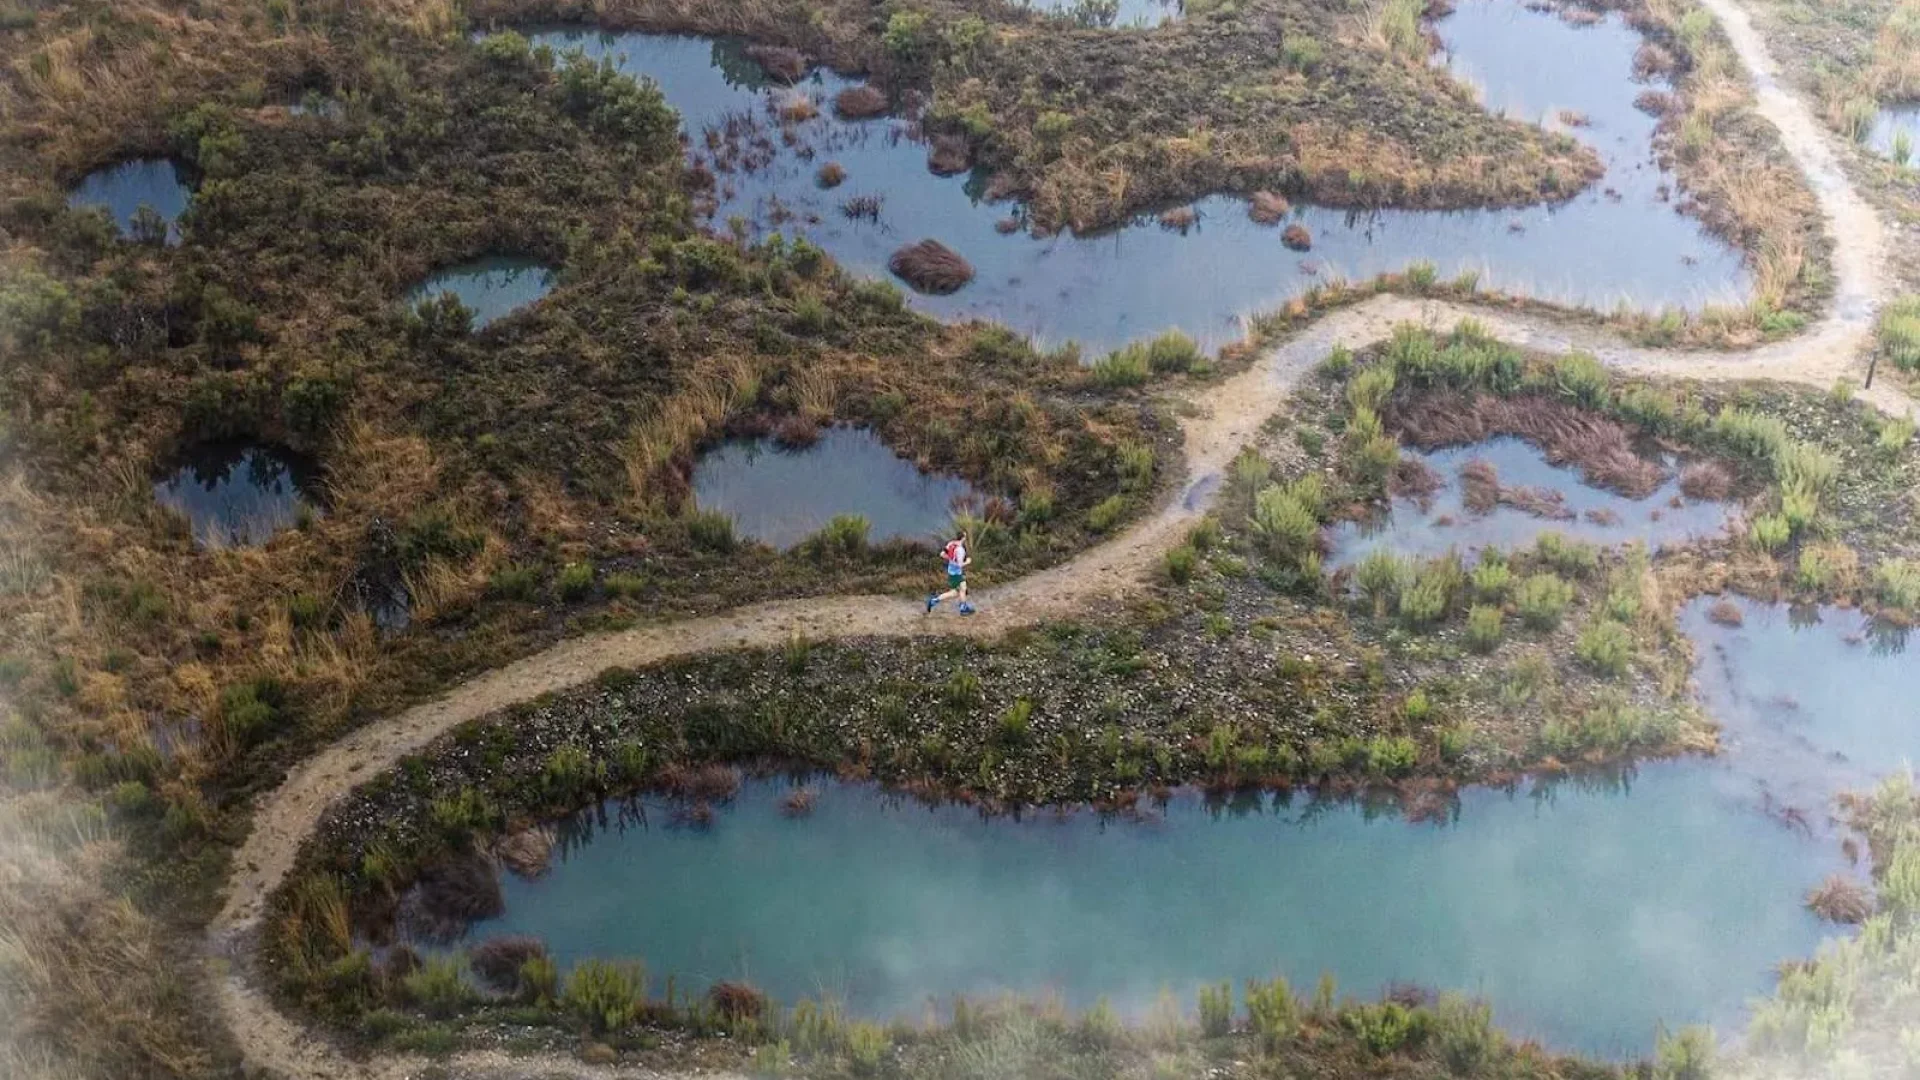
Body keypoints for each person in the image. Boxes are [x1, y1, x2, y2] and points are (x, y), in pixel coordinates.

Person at [926, 531, 974, 615]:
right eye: (965, 536)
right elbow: (960, 564)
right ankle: (963, 608)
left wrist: (951, 559)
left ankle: (935, 601)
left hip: (951, 571)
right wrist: (967, 562)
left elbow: (942, 554)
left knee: (958, 590)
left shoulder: (951, 544)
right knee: (960, 590)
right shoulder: (960, 550)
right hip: (956, 573)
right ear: (963, 538)